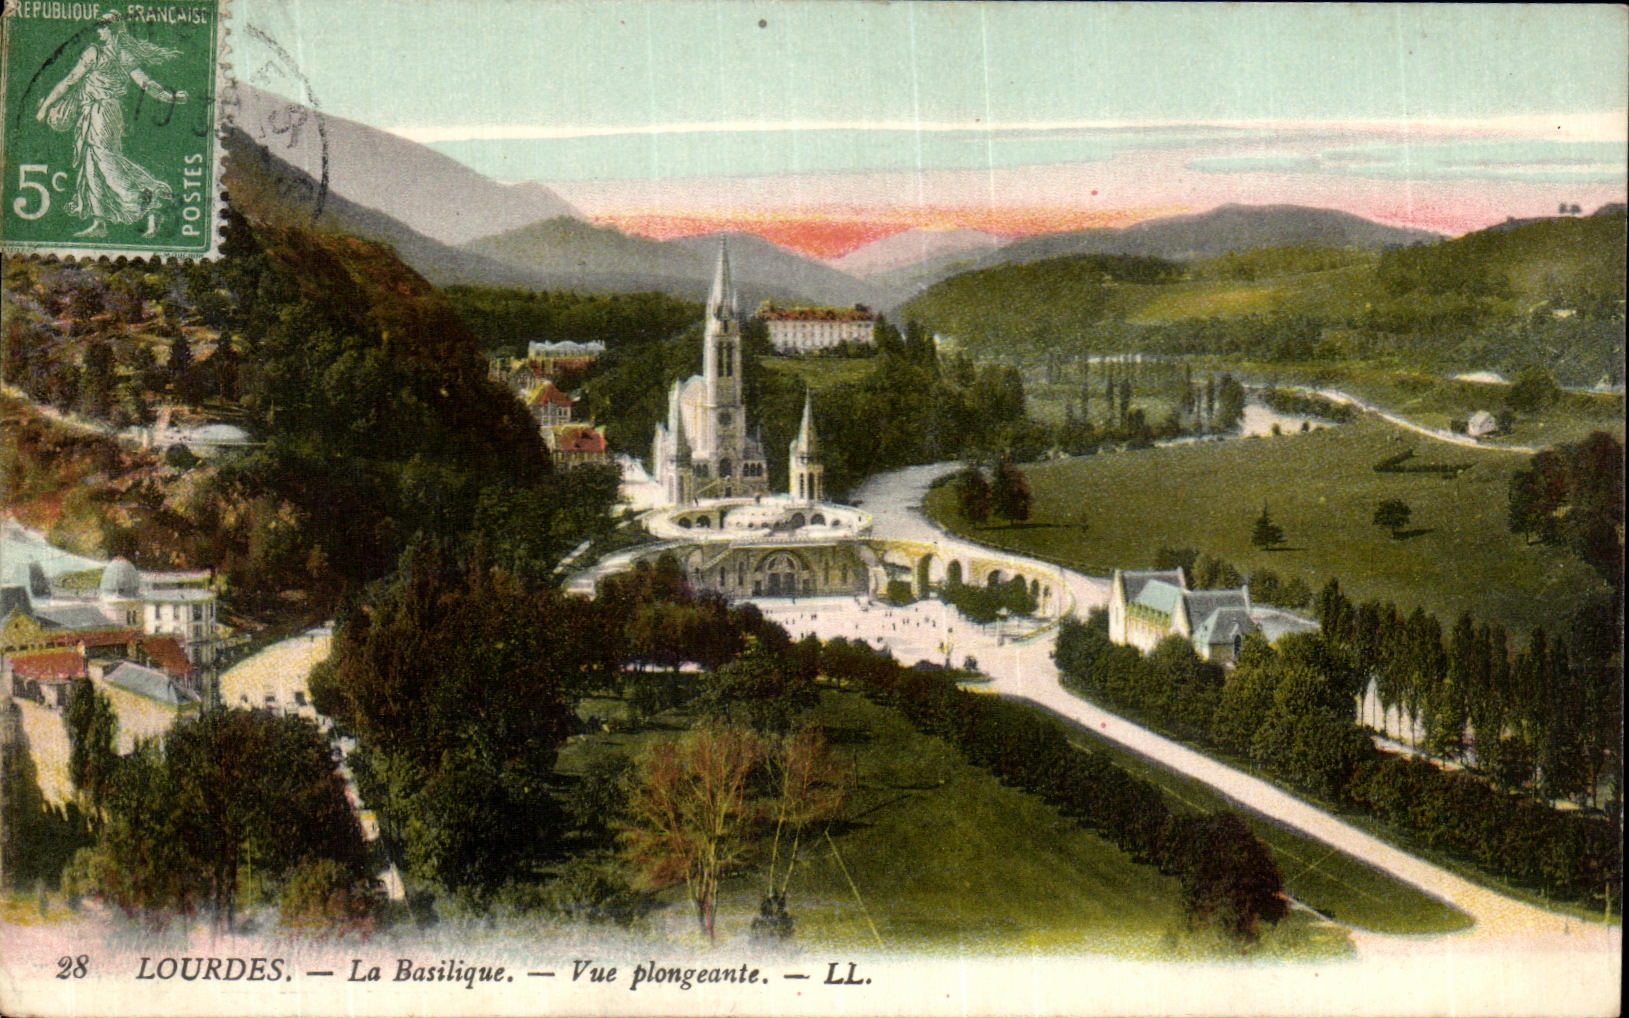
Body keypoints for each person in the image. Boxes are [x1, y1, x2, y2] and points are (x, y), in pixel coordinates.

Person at [35, 12, 189, 238]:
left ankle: (145, 197)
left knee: (105, 161)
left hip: (100, 112)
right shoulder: (126, 55)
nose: (98, 30)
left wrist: (45, 107)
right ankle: (100, 223)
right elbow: (148, 85)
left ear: (114, 29)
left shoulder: (94, 53)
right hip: (106, 113)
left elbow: (69, 81)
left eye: (103, 26)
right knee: (93, 164)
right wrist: (171, 96)